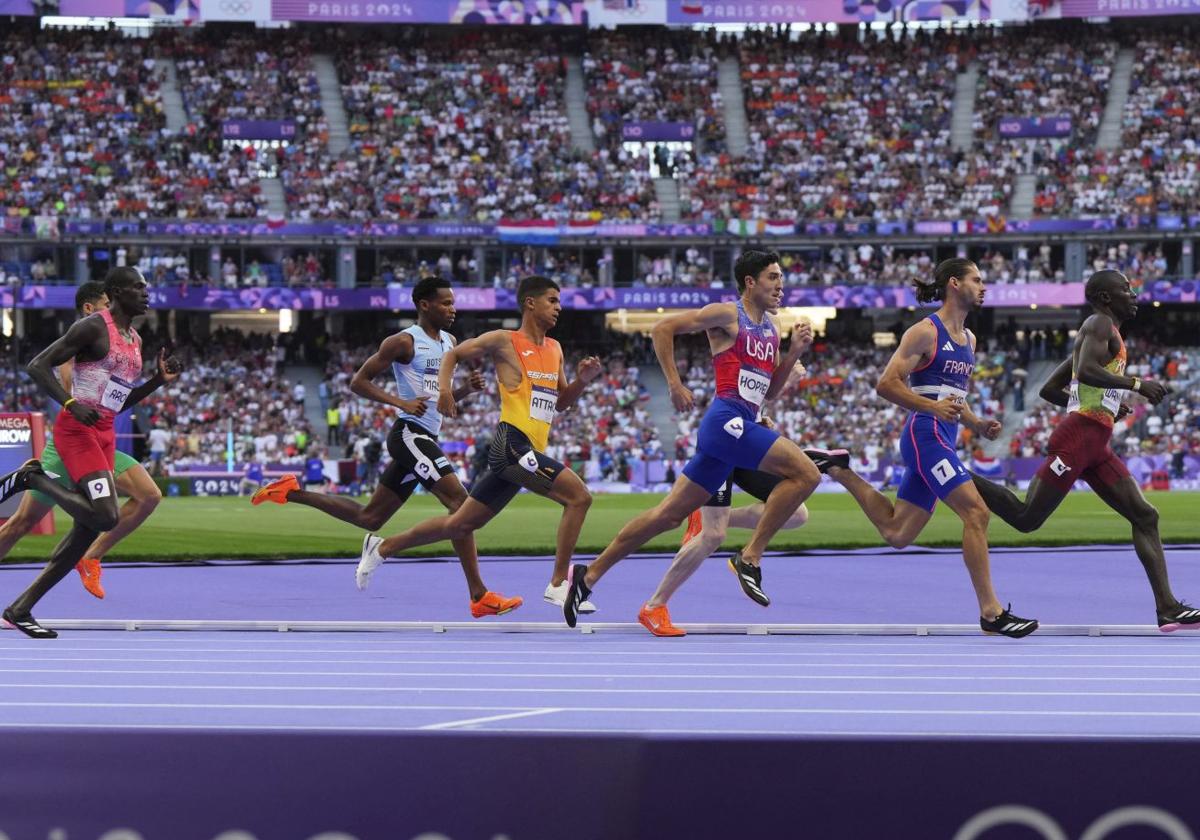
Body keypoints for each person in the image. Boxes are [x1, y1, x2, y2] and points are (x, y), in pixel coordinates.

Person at [560, 250, 822, 627]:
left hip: (742, 425)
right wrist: (673, 383)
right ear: (750, 282)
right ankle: (749, 558)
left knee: (667, 516)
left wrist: (794, 351)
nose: (781, 285)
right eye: (773, 277)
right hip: (725, 421)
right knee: (808, 474)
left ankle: (588, 576)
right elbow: (662, 329)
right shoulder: (726, 314)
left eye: (781, 277)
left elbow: (770, 393)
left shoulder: (771, 328)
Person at [252, 276, 517, 618]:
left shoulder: (450, 342)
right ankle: (478, 594)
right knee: (461, 505)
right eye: (446, 303)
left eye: (453, 302)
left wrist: (463, 391)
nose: (453, 309)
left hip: (425, 435)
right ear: (424, 305)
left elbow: (438, 401)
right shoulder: (403, 342)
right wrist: (399, 403)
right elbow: (357, 382)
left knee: (370, 516)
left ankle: (290, 492)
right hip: (409, 434)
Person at [813, 258, 1037, 638]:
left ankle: (840, 470)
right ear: (954, 283)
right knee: (977, 514)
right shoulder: (924, 332)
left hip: (943, 434)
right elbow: (886, 384)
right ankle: (991, 612)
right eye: (977, 280)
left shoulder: (969, 340)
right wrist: (932, 407)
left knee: (898, 534)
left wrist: (977, 423)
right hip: (925, 434)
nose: (984, 287)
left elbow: (952, 397)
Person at [356, 275, 602, 614]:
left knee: (459, 524)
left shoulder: (555, 349)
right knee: (579, 497)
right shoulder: (504, 340)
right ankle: (559, 584)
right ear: (530, 303)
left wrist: (582, 382)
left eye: (559, 302)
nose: (559, 308)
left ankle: (381, 548)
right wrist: (444, 391)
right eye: (552, 300)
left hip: (529, 449)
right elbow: (453, 355)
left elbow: (561, 402)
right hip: (511, 444)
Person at [969, 270, 1199, 631]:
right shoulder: (1098, 323)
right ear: (1106, 298)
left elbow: (1050, 389)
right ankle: (956, 475)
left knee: (1145, 515)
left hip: (1096, 443)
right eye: (1126, 289)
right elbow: (1089, 370)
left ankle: (1167, 607)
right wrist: (1136, 385)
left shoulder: (1104, 331)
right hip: (1078, 440)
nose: (1134, 294)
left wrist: (1108, 405)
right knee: (1027, 518)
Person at [0, 268, 180, 638]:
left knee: (89, 528)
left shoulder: (135, 339)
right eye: (138, 288)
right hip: (77, 433)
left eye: (146, 288)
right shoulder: (93, 328)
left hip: (105, 434)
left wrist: (156, 383)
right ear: (114, 293)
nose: (146, 294)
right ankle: (32, 476)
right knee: (102, 517)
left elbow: (118, 400)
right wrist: (68, 402)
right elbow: (37, 365)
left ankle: (21, 609)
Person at [639, 366, 813, 637]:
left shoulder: (768, 345)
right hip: (722, 447)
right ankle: (654, 606)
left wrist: (765, 416)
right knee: (713, 536)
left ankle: (705, 516)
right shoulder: (744, 339)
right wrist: (788, 371)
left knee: (797, 514)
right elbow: (735, 401)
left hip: (746, 446)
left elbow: (759, 400)